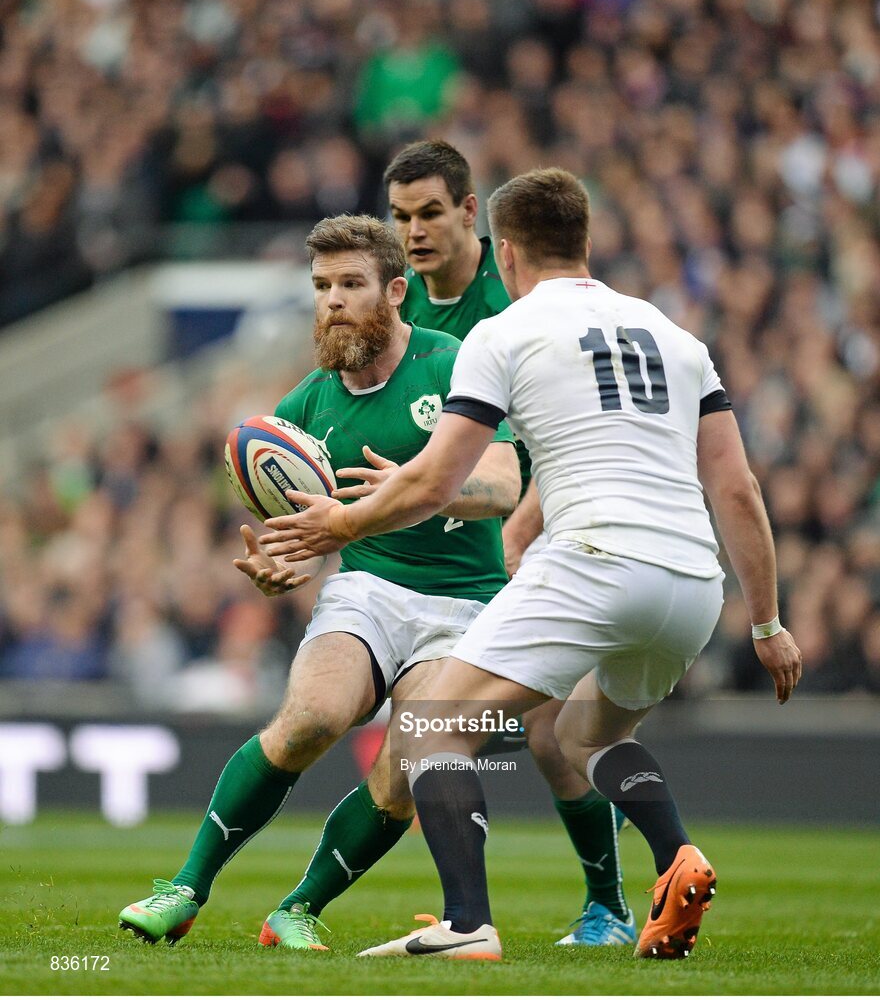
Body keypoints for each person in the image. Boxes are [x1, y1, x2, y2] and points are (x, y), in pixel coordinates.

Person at [261, 168, 803, 961]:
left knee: (433, 725)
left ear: (503, 252)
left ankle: (466, 924)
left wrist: (336, 523)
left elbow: (436, 481)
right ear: (584, 241)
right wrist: (767, 621)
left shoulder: (503, 333)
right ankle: (675, 854)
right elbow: (736, 487)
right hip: (691, 582)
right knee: (580, 738)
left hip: (593, 563)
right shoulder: (677, 337)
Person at [118, 214, 521, 949]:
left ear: (395, 291)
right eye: (322, 286)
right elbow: (299, 537)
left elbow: (504, 483)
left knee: (412, 760)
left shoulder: (451, 360)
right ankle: (183, 889)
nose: (332, 300)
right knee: (311, 718)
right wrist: (286, 563)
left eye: (351, 284)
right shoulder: (304, 407)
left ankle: (297, 908)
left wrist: (422, 485)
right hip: (368, 591)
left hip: (465, 602)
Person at [385, 139, 636, 946]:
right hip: (448, 555)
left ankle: (608, 904)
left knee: (548, 734)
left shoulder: (522, 298)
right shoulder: (399, 310)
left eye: (429, 213)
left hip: (544, 538)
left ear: (470, 214)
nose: (414, 232)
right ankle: (467, 910)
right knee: (428, 734)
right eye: (400, 218)